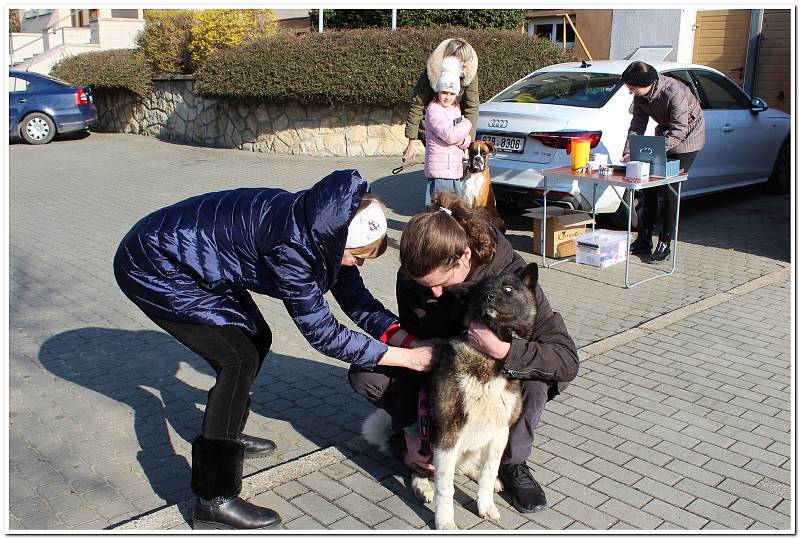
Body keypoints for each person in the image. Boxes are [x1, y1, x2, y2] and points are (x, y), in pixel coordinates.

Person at [113, 170, 435, 530]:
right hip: (154, 267)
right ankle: (213, 499)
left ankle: (228, 432)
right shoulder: (294, 249)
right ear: (339, 243)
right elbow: (323, 334)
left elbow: (355, 298)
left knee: (256, 338)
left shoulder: (328, 225)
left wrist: (405, 338)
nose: (358, 265)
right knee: (237, 359)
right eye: (356, 257)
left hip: (195, 261)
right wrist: (406, 359)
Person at [348, 190, 580, 514]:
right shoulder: (414, 278)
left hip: (500, 375)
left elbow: (566, 359)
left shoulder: (511, 275)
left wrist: (503, 350)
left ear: (465, 256)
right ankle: (422, 453)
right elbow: (409, 351)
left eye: (441, 283)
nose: (435, 293)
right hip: (444, 374)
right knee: (364, 373)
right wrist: (410, 429)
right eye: (425, 286)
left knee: (538, 378)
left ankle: (513, 463)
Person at [621, 61, 705, 263]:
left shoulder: (673, 91)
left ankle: (665, 242)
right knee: (649, 187)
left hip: (688, 139)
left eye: (633, 88)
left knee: (669, 190)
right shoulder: (641, 96)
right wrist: (629, 151)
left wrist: (656, 150)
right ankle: (644, 239)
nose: (630, 91)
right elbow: (637, 125)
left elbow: (679, 129)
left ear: (648, 83)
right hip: (665, 137)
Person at [401, 38, 480, 165]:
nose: (465, 64)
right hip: (433, 127)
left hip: (455, 128)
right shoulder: (430, 73)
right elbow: (417, 105)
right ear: (449, 57)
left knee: (454, 169)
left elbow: (472, 108)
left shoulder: (469, 74)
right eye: (461, 61)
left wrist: (468, 145)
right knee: (438, 166)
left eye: (466, 60)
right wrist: (411, 142)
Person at [422, 56, 473, 206]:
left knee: (454, 210)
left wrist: (463, 140)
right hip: (440, 170)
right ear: (438, 91)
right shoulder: (434, 111)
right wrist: (467, 124)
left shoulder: (455, 109)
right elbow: (450, 135)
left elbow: (464, 138)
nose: (448, 97)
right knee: (439, 210)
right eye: (444, 92)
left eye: (452, 93)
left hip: (454, 169)